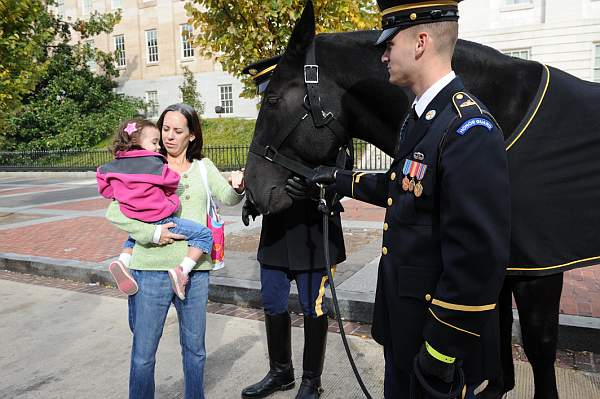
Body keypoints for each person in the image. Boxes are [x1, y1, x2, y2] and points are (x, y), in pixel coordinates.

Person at [310, 1, 511, 398]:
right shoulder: (420, 118)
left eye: (389, 43)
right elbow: (402, 185)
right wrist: (338, 179)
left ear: (421, 42)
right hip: (405, 330)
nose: (383, 54)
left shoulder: (468, 127)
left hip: (435, 346)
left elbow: (477, 261)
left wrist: (439, 353)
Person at [105, 103, 245, 399]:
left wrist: (239, 186)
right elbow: (116, 212)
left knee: (195, 350)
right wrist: (152, 233)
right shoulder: (146, 163)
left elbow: (229, 198)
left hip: (195, 273)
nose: (169, 136)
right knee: (144, 353)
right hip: (150, 270)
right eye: (165, 129)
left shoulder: (203, 168)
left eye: (177, 130)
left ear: (192, 135)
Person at [239, 57, 348, 399]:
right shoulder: (268, 129)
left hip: (313, 232)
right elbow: (261, 171)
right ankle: (281, 373)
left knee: (312, 306)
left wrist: (318, 188)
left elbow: (343, 173)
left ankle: (311, 382)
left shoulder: (323, 123)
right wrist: (254, 199)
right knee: (272, 301)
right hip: (277, 233)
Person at [97, 118, 214, 299]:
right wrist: (167, 196)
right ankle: (182, 270)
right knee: (204, 235)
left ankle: (122, 261)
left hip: (135, 216)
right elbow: (172, 181)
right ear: (137, 143)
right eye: (154, 142)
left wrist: (123, 193)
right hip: (161, 218)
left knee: (133, 237)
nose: (159, 147)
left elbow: (105, 189)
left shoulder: (113, 166)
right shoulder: (154, 163)